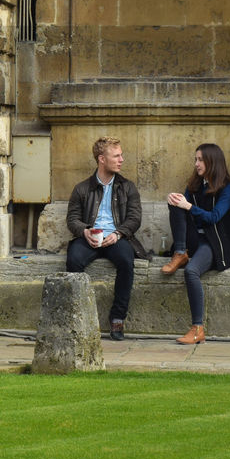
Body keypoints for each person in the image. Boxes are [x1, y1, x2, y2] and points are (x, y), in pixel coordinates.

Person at [65, 136, 145, 340]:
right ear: (102, 159)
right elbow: (72, 219)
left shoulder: (128, 187)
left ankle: (117, 318)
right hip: (89, 237)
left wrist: (118, 234)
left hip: (116, 237)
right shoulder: (82, 188)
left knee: (127, 262)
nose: (121, 160)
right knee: (73, 261)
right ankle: (79, 317)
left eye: (121, 155)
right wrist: (84, 231)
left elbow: (135, 218)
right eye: (116, 156)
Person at [162, 142, 230, 345]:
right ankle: (180, 253)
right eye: (195, 159)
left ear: (212, 162)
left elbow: (214, 217)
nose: (196, 164)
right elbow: (184, 210)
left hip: (216, 243)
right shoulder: (195, 186)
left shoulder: (227, 189)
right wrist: (177, 199)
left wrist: (187, 205)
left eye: (200, 160)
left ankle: (197, 329)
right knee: (176, 204)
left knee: (191, 272)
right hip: (194, 239)